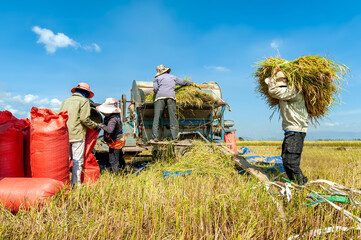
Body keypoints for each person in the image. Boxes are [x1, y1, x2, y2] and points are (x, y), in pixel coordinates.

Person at [265, 68, 309, 185]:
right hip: (292, 130)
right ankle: (299, 183)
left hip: (296, 130)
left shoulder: (292, 91)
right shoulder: (288, 92)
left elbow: (273, 91)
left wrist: (272, 77)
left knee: (290, 161)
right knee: (286, 158)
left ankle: (301, 185)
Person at [59, 82, 102, 186]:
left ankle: (64, 183)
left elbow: (60, 117)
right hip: (77, 135)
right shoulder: (84, 101)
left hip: (64, 135)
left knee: (66, 160)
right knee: (77, 161)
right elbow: (84, 118)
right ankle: (76, 184)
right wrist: (95, 126)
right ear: (86, 93)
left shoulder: (65, 101)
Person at [151, 65, 200, 141]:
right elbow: (183, 82)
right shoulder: (173, 77)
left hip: (160, 98)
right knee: (173, 118)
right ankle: (175, 138)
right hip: (171, 97)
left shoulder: (156, 79)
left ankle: (155, 138)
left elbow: (155, 89)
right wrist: (192, 83)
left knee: (157, 117)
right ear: (166, 71)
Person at [97, 98, 126, 174]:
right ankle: (124, 171)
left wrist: (101, 125)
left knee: (113, 161)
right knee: (119, 157)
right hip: (119, 139)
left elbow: (109, 130)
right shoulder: (115, 115)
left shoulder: (112, 119)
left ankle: (116, 176)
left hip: (115, 142)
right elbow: (98, 105)